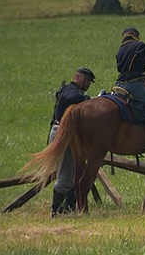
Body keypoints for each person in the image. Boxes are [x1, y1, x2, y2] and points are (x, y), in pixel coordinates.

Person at [49, 67, 96, 218]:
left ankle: (69, 208)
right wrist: (88, 99)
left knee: (74, 173)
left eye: (89, 81)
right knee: (66, 175)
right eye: (86, 79)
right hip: (62, 134)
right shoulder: (69, 90)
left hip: (70, 134)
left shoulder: (76, 92)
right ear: (77, 77)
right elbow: (70, 98)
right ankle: (56, 211)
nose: (87, 83)